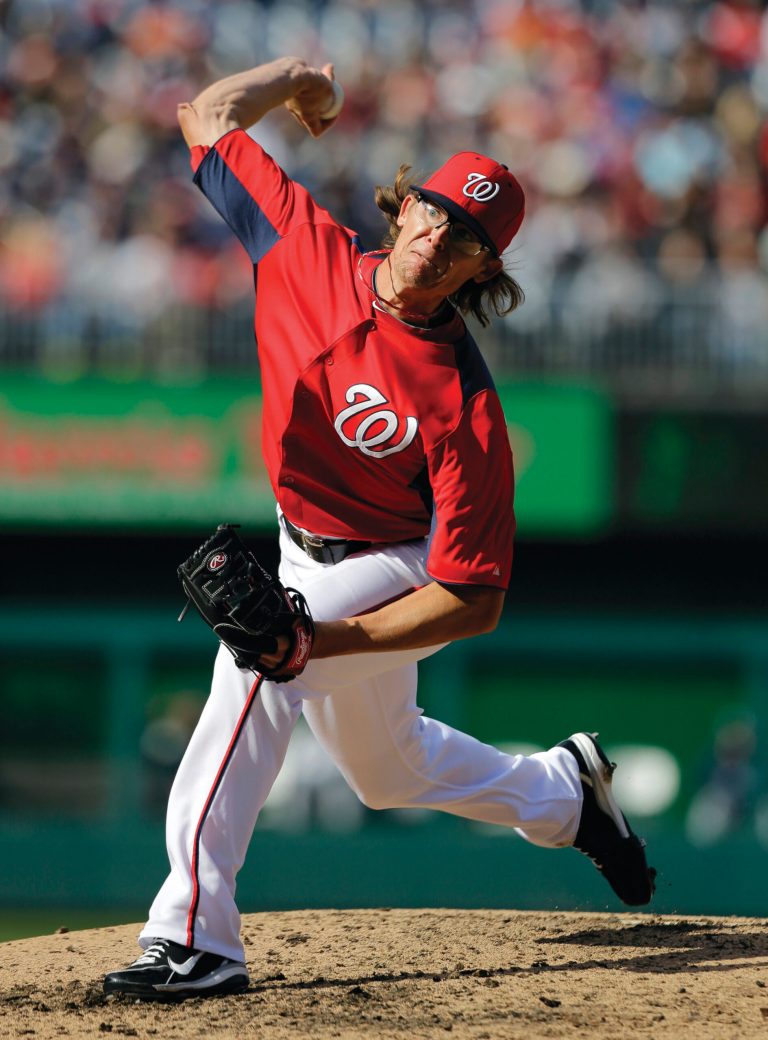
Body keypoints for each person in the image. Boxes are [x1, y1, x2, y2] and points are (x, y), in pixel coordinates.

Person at [103, 57, 655, 1000]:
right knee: (385, 772)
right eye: (436, 212)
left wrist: (315, 638)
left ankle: (195, 931)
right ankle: (563, 792)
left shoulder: (464, 404)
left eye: (470, 237)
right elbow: (204, 116)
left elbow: (473, 597)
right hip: (299, 537)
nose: (442, 239)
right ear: (403, 208)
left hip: (391, 560)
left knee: (256, 661)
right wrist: (296, 79)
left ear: (486, 267)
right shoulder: (303, 245)